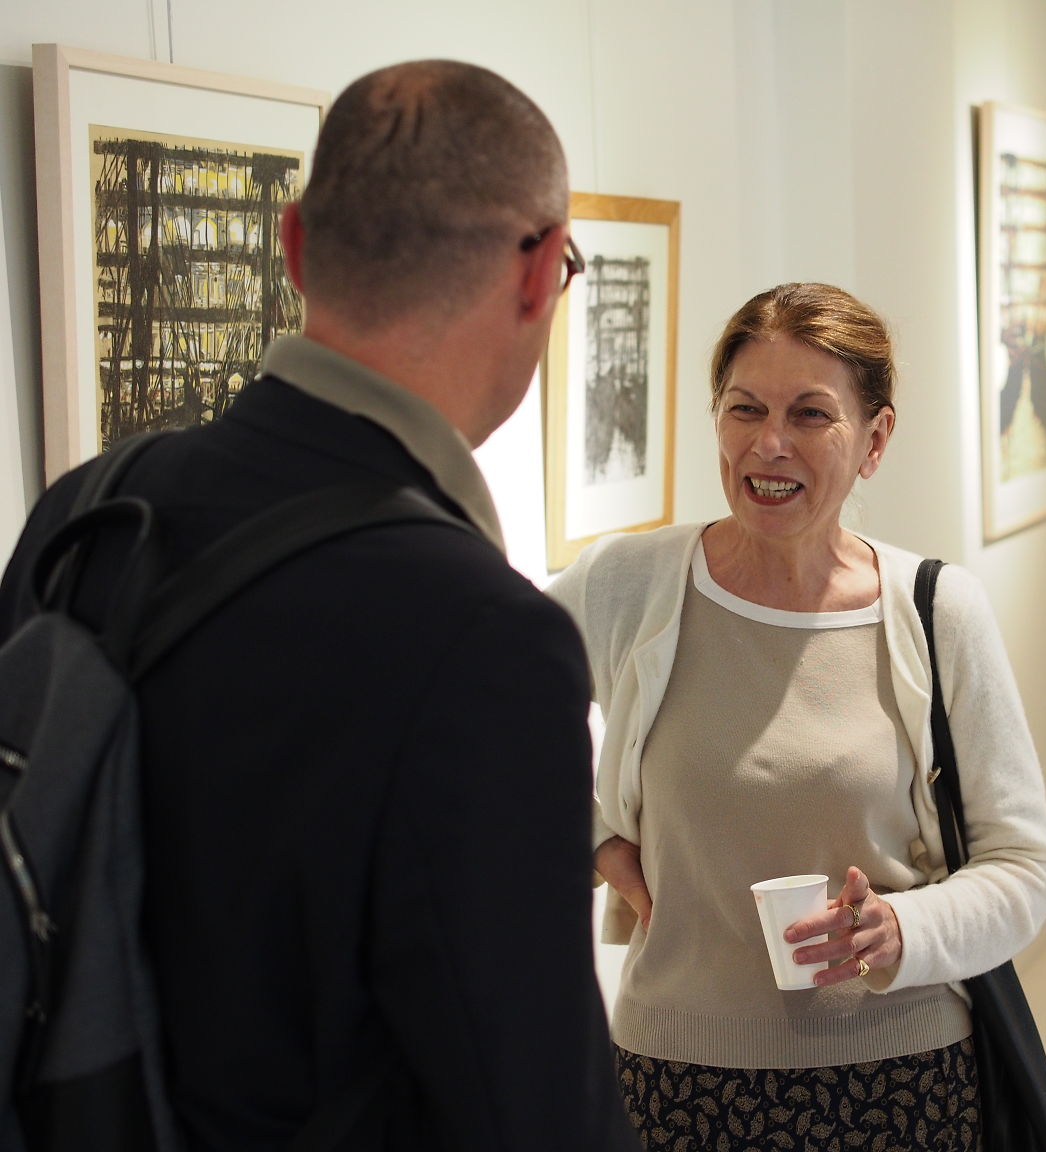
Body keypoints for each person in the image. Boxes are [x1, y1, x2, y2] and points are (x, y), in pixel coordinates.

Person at [0, 60, 639, 1150]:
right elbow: (533, 1110)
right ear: (539, 274)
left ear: (293, 246)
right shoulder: (487, 637)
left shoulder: (92, 506)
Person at [546, 282, 1046, 1150]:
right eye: (744, 409)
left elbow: (1024, 866)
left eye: (810, 414)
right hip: (673, 1083)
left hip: (901, 1086)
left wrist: (903, 929)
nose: (769, 444)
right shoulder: (627, 586)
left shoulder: (936, 611)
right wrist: (593, 836)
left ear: (875, 439)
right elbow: (471, 712)